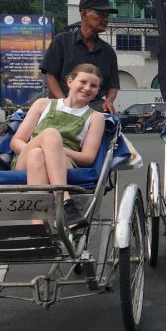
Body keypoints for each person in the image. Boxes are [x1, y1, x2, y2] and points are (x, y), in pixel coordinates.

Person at [11, 64, 106, 230]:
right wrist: (47, 144)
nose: (87, 88)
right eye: (82, 82)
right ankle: (65, 202)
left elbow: (88, 158)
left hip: (65, 162)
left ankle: (38, 228)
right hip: (24, 159)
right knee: (48, 137)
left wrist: (54, 150)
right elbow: (16, 141)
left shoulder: (96, 117)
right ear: (70, 82)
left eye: (93, 86)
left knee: (39, 154)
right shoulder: (42, 104)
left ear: (98, 90)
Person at [41, 0, 120, 114]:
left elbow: (113, 85)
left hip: (93, 107)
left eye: (107, 16)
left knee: (111, 126)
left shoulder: (108, 51)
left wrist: (109, 100)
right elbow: (50, 75)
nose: (105, 19)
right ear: (84, 14)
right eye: (100, 14)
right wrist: (64, 103)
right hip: (60, 102)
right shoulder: (61, 41)